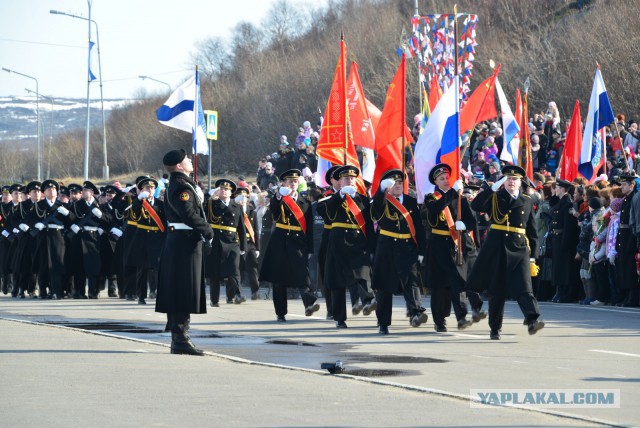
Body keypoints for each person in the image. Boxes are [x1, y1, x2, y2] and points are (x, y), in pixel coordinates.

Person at [467, 165, 545, 339]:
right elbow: (476, 205)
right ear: (504, 181)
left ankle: (532, 319)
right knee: (497, 290)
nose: (511, 182)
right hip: (498, 247)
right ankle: (495, 328)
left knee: (525, 287)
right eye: (508, 178)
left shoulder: (527, 200)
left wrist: (533, 257)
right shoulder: (496, 196)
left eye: (515, 179)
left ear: (520, 182)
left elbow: (532, 230)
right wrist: (492, 188)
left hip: (519, 248)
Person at [155, 149, 213, 356]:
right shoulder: (181, 185)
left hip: (184, 241)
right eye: (186, 159)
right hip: (183, 243)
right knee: (183, 289)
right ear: (179, 166)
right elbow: (187, 212)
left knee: (184, 288)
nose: (190, 161)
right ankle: (180, 338)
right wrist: (207, 229)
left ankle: (179, 337)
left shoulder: (183, 183)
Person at [422, 164, 481, 333]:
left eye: (447, 178)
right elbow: (434, 210)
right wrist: (452, 193)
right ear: (436, 182)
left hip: (456, 244)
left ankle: (461, 317)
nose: (446, 181)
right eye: (442, 179)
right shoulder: (431, 198)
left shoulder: (460, 198)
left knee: (458, 282)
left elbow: (472, 221)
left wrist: (464, 225)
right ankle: (439, 321)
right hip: (438, 246)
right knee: (439, 286)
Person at [371, 169, 428, 334]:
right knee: (384, 286)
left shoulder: (410, 202)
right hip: (386, 247)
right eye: (394, 183)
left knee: (411, 282)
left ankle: (416, 312)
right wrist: (381, 191)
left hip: (407, 247)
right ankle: (383, 323)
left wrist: (421, 250)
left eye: (400, 182)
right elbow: (375, 212)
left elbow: (418, 227)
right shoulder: (383, 200)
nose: (397, 185)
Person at [259, 168, 320, 322]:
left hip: (298, 241)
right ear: (284, 183)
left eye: (295, 181)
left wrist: (310, 248)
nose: (293, 183)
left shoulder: (305, 202)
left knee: (302, 274)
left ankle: (309, 303)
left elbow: (310, 228)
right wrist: (279, 195)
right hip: (280, 240)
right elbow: (274, 211)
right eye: (290, 181)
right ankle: (280, 312)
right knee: (279, 278)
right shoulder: (279, 198)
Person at [323, 165, 376, 328]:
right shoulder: (333, 198)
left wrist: (373, 248)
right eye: (346, 179)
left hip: (358, 241)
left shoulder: (363, 200)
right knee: (338, 281)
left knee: (362, 273)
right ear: (339, 181)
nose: (350, 181)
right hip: (338, 242)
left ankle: (368, 299)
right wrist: (341, 194)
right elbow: (328, 211)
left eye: (352, 179)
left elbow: (368, 225)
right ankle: (339, 318)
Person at [206, 178, 247, 306]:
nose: (224, 191)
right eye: (221, 189)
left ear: (231, 193)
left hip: (232, 242)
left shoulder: (236, 206)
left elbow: (241, 227)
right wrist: (211, 196)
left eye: (227, 190)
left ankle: (238, 294)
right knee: (215, 273)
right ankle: (214, 299)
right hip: (217, 241)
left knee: (234, 270)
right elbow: (202, 209)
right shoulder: (212, 203)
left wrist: (243, 245)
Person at [127, 176, 166, 304]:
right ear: (142, 189)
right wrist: (139, 200)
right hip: (142, 238)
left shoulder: (161, 204)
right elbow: (134, 214)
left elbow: (165, 222)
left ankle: (159, 293)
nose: (150, 190)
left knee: (158, 269)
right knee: (142, 270)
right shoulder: (137, 202)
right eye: (147, 187)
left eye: (152, 188)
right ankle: (141, 296)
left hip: (157, 239)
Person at [550, 179, 580, 303]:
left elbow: (568, 226)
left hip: (564, 239)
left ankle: (566, 293)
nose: (555, 190)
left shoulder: (567, 203)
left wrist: (565, 244)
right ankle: (560, 290)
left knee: (565, 268)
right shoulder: (560, 202)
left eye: (556, 187)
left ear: (562, 189)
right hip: (557, 238)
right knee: (558, 268)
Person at [234, 185, 261, 300]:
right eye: (241, 196)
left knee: (253, 267)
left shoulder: (252, 212)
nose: (243, 199)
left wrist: (258, 247)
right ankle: (237, 294)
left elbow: (255, 231)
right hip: (238, 243)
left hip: (250, 244)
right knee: (238, 269)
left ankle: (255, 291)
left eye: (245, 196)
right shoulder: (233, 210)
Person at [616, 172, 639, 307]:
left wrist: (632, 241)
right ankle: (627, 296)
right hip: (623, 236)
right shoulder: (626, 199)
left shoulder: (634, 199)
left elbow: (633, 222)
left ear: (632, 185)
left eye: (624, 185)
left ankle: (633, 297)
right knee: (625, 269)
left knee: (631, 271)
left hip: (630, 236)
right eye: (621, 184)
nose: (622, 187)